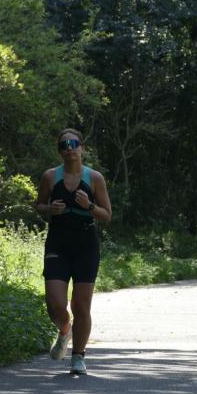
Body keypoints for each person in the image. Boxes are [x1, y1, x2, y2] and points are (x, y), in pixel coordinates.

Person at [35, 128, 112, 375]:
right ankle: (64, 330)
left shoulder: (94, 178)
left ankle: (78, 356)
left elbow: (107, 215)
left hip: (85, 245)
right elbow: (39, 205)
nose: (70, 148)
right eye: (64, 145)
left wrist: (88, 206)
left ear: (82, 148)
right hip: (58, 242)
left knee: (81, 306)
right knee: (54, 303)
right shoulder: (50, 176)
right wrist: (49, 209)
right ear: (59, 151)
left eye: (74, 144)